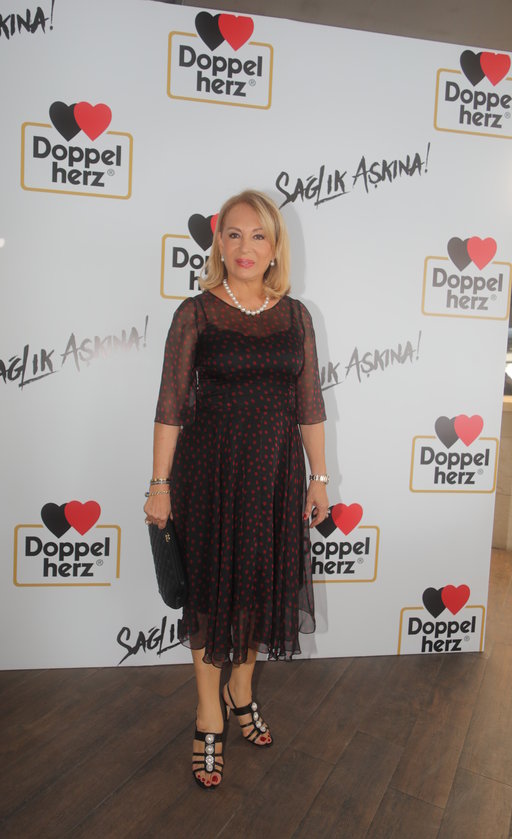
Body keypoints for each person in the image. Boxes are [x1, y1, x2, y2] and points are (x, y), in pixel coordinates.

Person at [144, 190, 329, 790]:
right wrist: (159, 485)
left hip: (274, 477)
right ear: (219, 244)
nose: (245, 247)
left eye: (258, 235)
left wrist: (319, 478)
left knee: (254, 589)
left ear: (275, 247)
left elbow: (309, 405)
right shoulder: (195, 314)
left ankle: (241, 691)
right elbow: (170, 406)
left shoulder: (296, 316)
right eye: (233, 234)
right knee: (208, 596)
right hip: (209, 477)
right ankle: (208, 714)